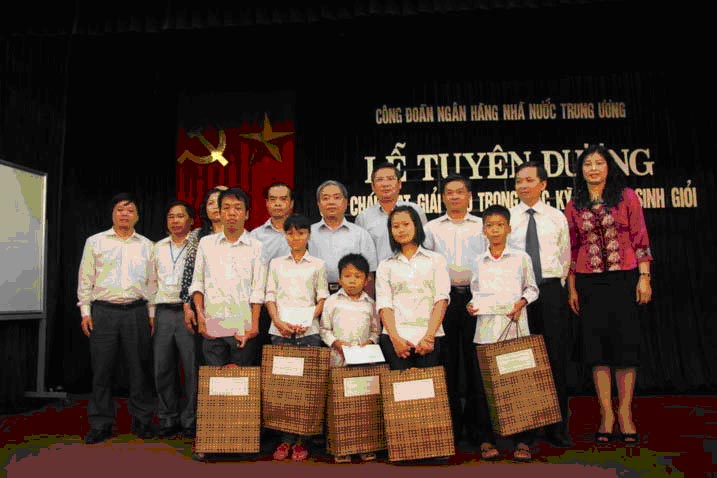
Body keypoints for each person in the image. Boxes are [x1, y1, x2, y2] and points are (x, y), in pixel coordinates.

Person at [564, 144, 653, 447]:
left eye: (598, 163)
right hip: (589, 283)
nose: (593, 169)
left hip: (624, 279)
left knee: (625, 347)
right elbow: (571, 248)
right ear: (581, 171)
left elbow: (640, 238)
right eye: (587, 164)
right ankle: (606, 415)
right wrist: (572, 287)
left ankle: (626, 413)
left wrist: (644, 277)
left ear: (608, 167)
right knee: (597, 350)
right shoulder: (574, 204)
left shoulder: (626, 197)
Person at [77, 192, 156, 444]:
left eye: (130, 210)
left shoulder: (147, 245)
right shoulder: (95, 242)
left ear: (137, 216)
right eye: (120, 209)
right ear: (112, 213)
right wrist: (85, 312)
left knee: (139, 369)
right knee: (102, 370)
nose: (125, 214)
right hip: (103, 312)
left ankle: (142, 420)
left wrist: (151, 314)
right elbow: (85, 279)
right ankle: (101, 423)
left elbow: (152, 283)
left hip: (136, 311)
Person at [508, 161, 574, 448]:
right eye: (518, 181)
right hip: (518, 295)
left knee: (554, 358)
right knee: (521, 359)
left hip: (550, 291)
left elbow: (565, 257)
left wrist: (560, 287)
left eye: (529, 180)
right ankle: (525, 428)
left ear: (543, 184)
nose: (523, 185)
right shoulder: (509, 217)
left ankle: (557, 426)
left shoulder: (556, 217)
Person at [467, 204, 539, 461]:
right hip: (486, 332)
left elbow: (532, 289)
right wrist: (471, 306)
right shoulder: (478, 261)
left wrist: (522, 303)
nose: (495, 230)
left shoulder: (521, 258)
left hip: (515, 330)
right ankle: (486, 440)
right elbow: (476, 293)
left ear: (509, 228)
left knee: (519, 386)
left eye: (500, 225)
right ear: (483, 230)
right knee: (484, 390)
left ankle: (523, 441)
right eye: (490, 225)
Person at [424, 173, 485, 445]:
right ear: (442, 197)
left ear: (469, 195)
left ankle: (478, 429)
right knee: (446, 364)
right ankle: (450, 428)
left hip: (476, 299)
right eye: (449, 192)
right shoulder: (432, 228)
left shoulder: (481, 226)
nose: (455, 196)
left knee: (475, 363)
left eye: (460, 191)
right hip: (443, 300)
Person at [265, 213, 330, 462]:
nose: (295, 238)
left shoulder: (318, 264)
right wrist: (278, 322)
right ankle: (284, 439)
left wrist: (307, 320)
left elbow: (322, 298)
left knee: (305, 389)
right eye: (291, 233)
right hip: (280, 331)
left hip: (308, 332)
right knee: (282, 388)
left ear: (308, 235)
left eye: (301, 233)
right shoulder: (276, 264)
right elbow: (270, 296)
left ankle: (302, 441)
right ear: (285, 235)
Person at [189, 187, 266, 366]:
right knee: (214, 380)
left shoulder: (256, 246)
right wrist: (200, 318)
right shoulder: (206, 243)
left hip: (243, 327)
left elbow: (258, 289)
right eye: (226, 207)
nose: (232, 213)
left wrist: (254, 325)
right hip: (213, 326)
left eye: (238, 208)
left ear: (247, 214)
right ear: (220, 212)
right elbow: (198, 283)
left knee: (242, 381)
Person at [319, 253, 380, 463]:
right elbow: (324, 329)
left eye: (357, 276)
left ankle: (365, 446)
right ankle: (341, 447)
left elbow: (376, 331)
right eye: (347, 276)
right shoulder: (331, 302)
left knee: (364, 405)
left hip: (364, 362)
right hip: (338, 361)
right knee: (339, 405)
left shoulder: (371, 304)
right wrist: (336, 344)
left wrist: (369, 342)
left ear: (367, 279)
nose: (352, 281)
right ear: (339, 278)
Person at [376, 205, 449, 371]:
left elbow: (441, 300)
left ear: (416, 226)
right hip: (396, 340)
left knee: (430, 386)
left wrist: (429, 337)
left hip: (429, 338)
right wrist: (395, 339)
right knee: (399, 387)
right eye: (395, 226)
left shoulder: (436, 260)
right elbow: (384, 305)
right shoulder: (386, 265)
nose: (401, 230)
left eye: (406, 224)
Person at [148, 199, 198, 439]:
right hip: (163, 312)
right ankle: (168, 417)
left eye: (180, 216)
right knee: (163, 368)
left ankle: (190, 419)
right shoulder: (157, 247)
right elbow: (150, 282)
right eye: (171, 216)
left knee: (191, 368)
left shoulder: (198, 246)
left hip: (188, 312)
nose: (175, 221)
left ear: (191, 221)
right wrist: (151, 314)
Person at [179, 185, 227, 353]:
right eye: (211, 203)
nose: (215, 207)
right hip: (203, 306)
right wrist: (187, 306)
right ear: (205, 209)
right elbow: (188, 272)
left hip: (233, 305)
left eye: (220, 202)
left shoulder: (240, 235)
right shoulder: (197, 235)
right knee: (208, 356)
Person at [249, 181, 295, 359]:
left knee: (292, 359)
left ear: (291, 203)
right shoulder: (255, 236)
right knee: (263, 356)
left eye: (283, 199)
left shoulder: (302, 232)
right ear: (267, 203)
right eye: (273, 199)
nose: (278, 204)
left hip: (294, 303)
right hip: (263, 305)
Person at [309, 180, 378, 296]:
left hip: (352, 295)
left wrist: (368, 302)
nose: (331, 202)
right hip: (315, 295)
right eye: (325, 198)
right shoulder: (308, 234)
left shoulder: (360, 234)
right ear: (318, 204)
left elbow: (369, 274)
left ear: (346, 203)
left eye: (337, 197)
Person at [355, 162, 433, 263]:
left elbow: (425, 244)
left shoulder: (415, 210)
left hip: (414, 269)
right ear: (373, 186)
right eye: (380, 180)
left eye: (390, 179)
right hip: (379, 271)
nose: (385, 184)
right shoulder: (363, 218)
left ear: (399, 184)